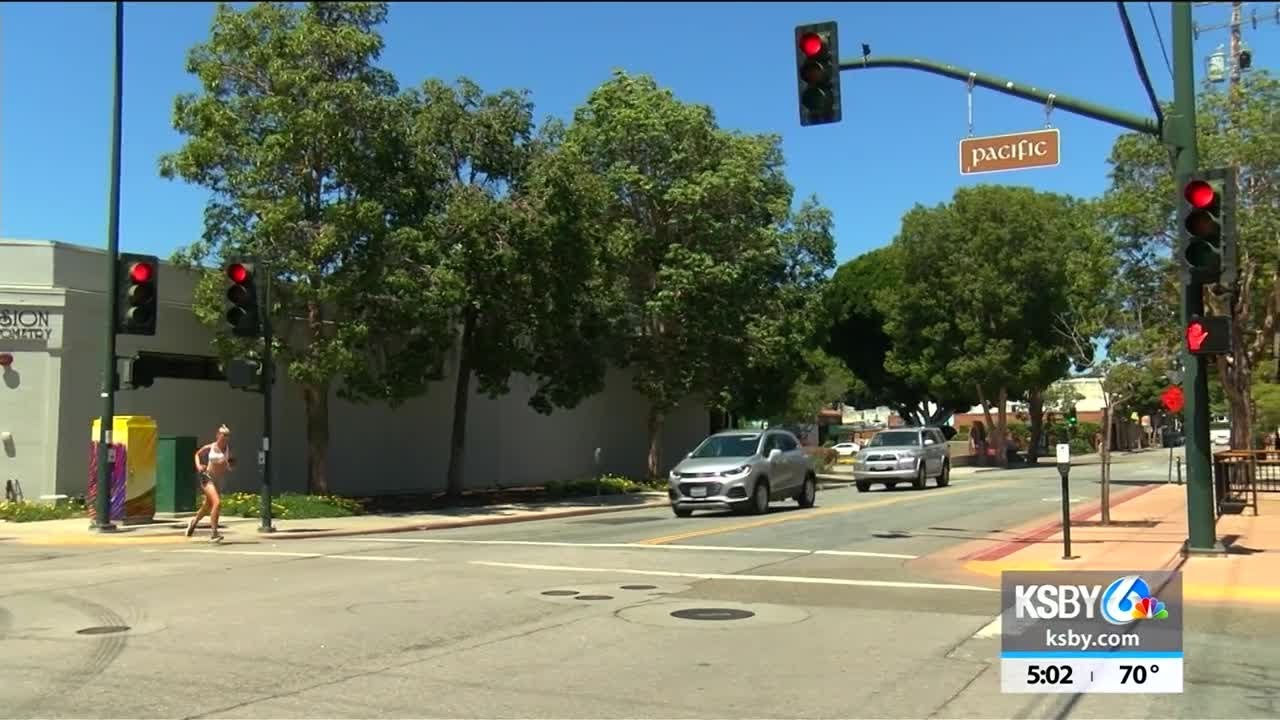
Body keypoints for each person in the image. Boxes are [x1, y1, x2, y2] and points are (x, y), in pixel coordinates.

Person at [187, 425, 235, 541]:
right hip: (207, 478)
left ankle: (194, 522)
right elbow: (197, 454)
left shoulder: (228, 449)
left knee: (207, 506)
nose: (225, 438)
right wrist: (199, 466)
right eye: (223, 435)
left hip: (218, 481)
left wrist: (231, 465)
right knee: (217, 503)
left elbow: (232, 463)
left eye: (227, 436)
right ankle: (214, 533)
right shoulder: (210, 447)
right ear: (218, 435)